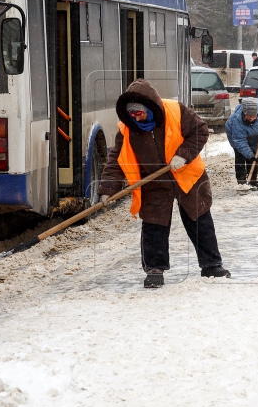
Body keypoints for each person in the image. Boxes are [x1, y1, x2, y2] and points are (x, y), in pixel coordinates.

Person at [97, 79, 230, 288]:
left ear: (150, 108)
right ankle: (155, 270)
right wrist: (107, 189)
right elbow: (116, 160)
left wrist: (183, 155)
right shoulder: (127, 129)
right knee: (153, 225)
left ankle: (211, 265)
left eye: (139, 113)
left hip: (187, 175)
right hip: (154, 182)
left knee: (199, 221)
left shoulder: (176, 111)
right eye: (131, 114)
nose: (136, 117)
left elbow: (200, 131)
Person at [225, 97, 258, 190]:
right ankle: (242, 182)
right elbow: (240, 142)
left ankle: (253, 181)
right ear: (244, 113)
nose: (251, 118)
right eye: (248, 116)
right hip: (236, 136)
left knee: (254, 153)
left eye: (253, 116)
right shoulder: (237, 120)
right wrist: (250, 156)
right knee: (240, 155)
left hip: (254, 134)